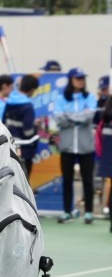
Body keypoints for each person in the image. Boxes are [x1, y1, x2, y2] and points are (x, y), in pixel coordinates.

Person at [54, 67, 98, 224]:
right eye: (78, 78)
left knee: (88, 179)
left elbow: (89, 116)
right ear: (71, 80)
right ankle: (66, 211)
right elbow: (58, 120)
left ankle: (88, 212)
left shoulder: (91, 97)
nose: (81, 80)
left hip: (86, 146)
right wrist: (78, 117)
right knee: (67, 180)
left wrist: (68, 116)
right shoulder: (61, 99)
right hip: (67, 146)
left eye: (82, 78)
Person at [3, 74, 40, 180]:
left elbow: (4, 121)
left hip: (10, 144)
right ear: (32, 89)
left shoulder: (9, 101)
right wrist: (34, 127)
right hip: (24, 147)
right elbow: (28, 131)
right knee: (24, 179)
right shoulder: (27, 106)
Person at [96, 93, 112, 226]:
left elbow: (99, 140)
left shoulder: (105, 118)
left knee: (108, 184)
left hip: (107, 156)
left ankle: (107, 209)